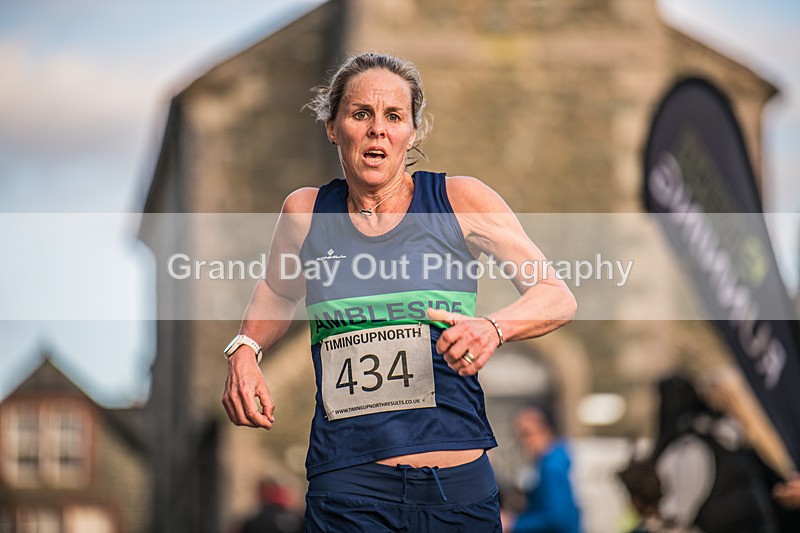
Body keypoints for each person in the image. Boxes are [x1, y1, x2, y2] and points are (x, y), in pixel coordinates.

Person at [221, 52, 577, 532]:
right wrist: (245, 349)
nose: (377, 129)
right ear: (332, 126)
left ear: (413, 132)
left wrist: (494, 328)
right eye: (361, 113)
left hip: (457, 489)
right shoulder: (306, 212)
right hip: (349, 487)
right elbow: (278, 291)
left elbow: (555, 294)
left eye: (394, 116)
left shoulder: (460, 201)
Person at [505, 405, 581, 533]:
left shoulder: (552, 465)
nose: (522, 442)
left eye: (527, 434)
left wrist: (513, 524)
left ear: (546, 430)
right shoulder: (557, 457)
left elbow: (557, 518)